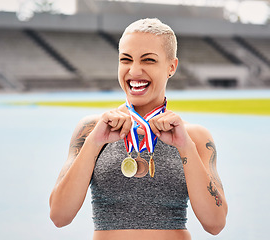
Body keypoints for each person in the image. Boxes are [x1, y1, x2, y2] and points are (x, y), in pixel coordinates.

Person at [49, 18, 228, 240]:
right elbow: (59, 216)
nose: (134, 70)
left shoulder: (194, 136)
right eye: (125, 60)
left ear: (171, 67)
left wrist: (184, 147)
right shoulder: (91, 129)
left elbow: (215, 223)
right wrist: (94, 143)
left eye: (148, 60)